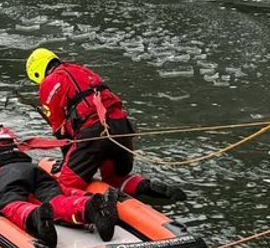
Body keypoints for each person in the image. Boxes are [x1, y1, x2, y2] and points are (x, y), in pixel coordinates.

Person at [25, 48, 187, 201]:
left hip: (94, 133)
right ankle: (143, 187)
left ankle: (90, 210)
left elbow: (60, 130)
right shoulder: (82, 70)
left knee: (67, 185)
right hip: (121, 128)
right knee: (115, 179)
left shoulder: (49, 84)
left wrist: (69, 162)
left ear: (37, 73)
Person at [0, 110, 119, 248]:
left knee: (13, 204)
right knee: (55, 198)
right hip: (31, 170)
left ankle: (35, 218)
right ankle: (88, 208)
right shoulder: (5, 135)